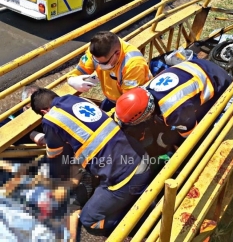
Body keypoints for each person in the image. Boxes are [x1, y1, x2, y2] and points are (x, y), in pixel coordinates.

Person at [30, 88, 152, 239]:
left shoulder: (50, 119)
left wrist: (55, 181)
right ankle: (142, 201)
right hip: (142, 158)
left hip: (127, 178)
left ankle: (145, 220)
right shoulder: (78, 100)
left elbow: (57, 158)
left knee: (90, 220)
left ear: (43, 111)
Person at [115, 59, 233, 152]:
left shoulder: (173, 111)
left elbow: (190, 134)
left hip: (218, 83)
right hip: (200, 65)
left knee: (199, 135)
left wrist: (167, 140)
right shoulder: (143, 90)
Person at [67, 31, 153, 112]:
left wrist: (106, 117)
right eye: (96, 61)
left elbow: (128, 103)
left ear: (117, 53)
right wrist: (72, 80)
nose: (99, 65)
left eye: (104, 63)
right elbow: (78, 71)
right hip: (114, 99)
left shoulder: (133, 64)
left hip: (135, 103)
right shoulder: (96, 50)